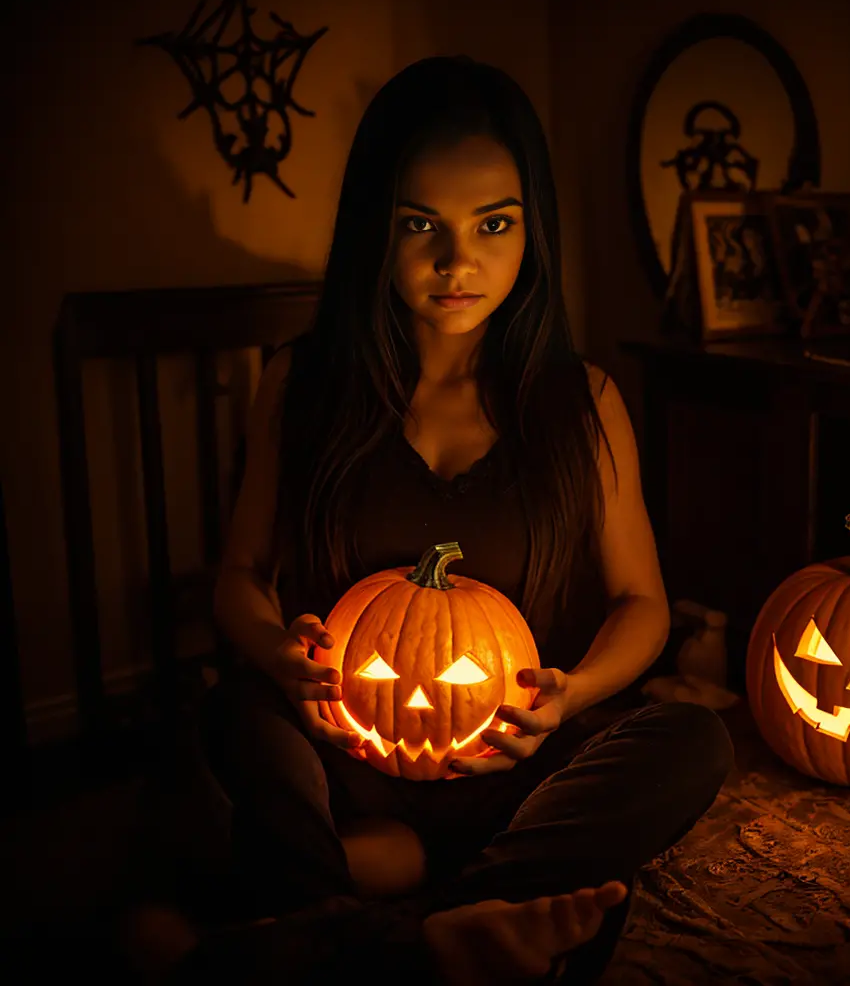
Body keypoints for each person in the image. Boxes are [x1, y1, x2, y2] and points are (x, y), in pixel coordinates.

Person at [162, 54, 733, 985]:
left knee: (691, 739)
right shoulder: (300, 385)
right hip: (341, 763)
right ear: (373, 232)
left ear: (531, 230)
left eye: (493, 224)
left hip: (515, 774)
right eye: (420, 224)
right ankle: (451, 926)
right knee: (234, 714)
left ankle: (379, 917)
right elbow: (240, 577)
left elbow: (641, 603)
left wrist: (572, 696)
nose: (456, 261)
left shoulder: (582, 401)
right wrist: (276, 654)